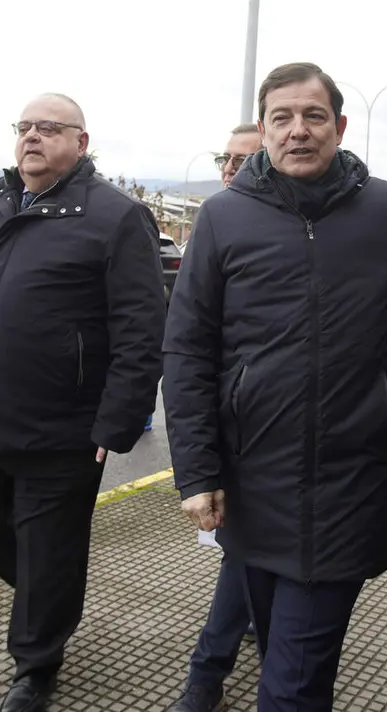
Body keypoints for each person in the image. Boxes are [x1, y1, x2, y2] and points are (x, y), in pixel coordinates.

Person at [163, 61, 387, 712]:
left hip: (349, 483)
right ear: (266, 130)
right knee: (283, 658)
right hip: (251, 480)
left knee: (293, 683)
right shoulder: (222, 218)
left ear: (339, 126)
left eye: (313, 116)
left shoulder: (382, 207)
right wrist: (196, 471)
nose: (298, 130)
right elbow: (187, 348)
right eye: (282, 117)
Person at [0, 93, 166, 712]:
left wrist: (118, 418)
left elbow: (142, 328)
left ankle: (35, 667)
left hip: (62, 429)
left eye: (49, 127)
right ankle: (52, 595)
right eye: (24, 127)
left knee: (49, 544)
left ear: (81, 143)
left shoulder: (117, 217)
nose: (32, 136)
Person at [166, 122, 263, 712]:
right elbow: (187, 344)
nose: (230, 170)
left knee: (243, 556)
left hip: (275, 435)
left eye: (243, 161)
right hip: (222, 428)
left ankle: (208, 673)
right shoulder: (215, 224)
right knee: (240, 555)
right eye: (225, 160)